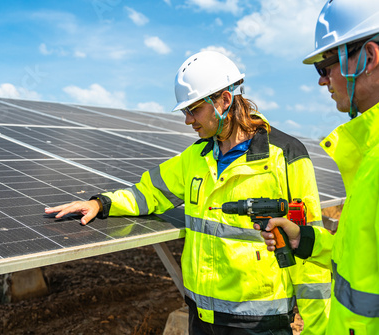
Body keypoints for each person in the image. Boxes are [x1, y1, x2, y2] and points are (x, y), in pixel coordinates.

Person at [46, 50, 331, 334]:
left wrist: (318, 329)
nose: (187, 120)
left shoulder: (286, 156)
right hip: (201, 315)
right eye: (185, 111)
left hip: (258, 322)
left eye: (194, 109)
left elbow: (309, 249)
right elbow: (148, 193)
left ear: (225, 101)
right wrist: (101, 203)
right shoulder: (195, 157)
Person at [256, 0, 379, 334]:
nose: (322, 82)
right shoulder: (369, 156)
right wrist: (303, 241)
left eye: (325, 68)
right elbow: (361, 263)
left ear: (369, 57)